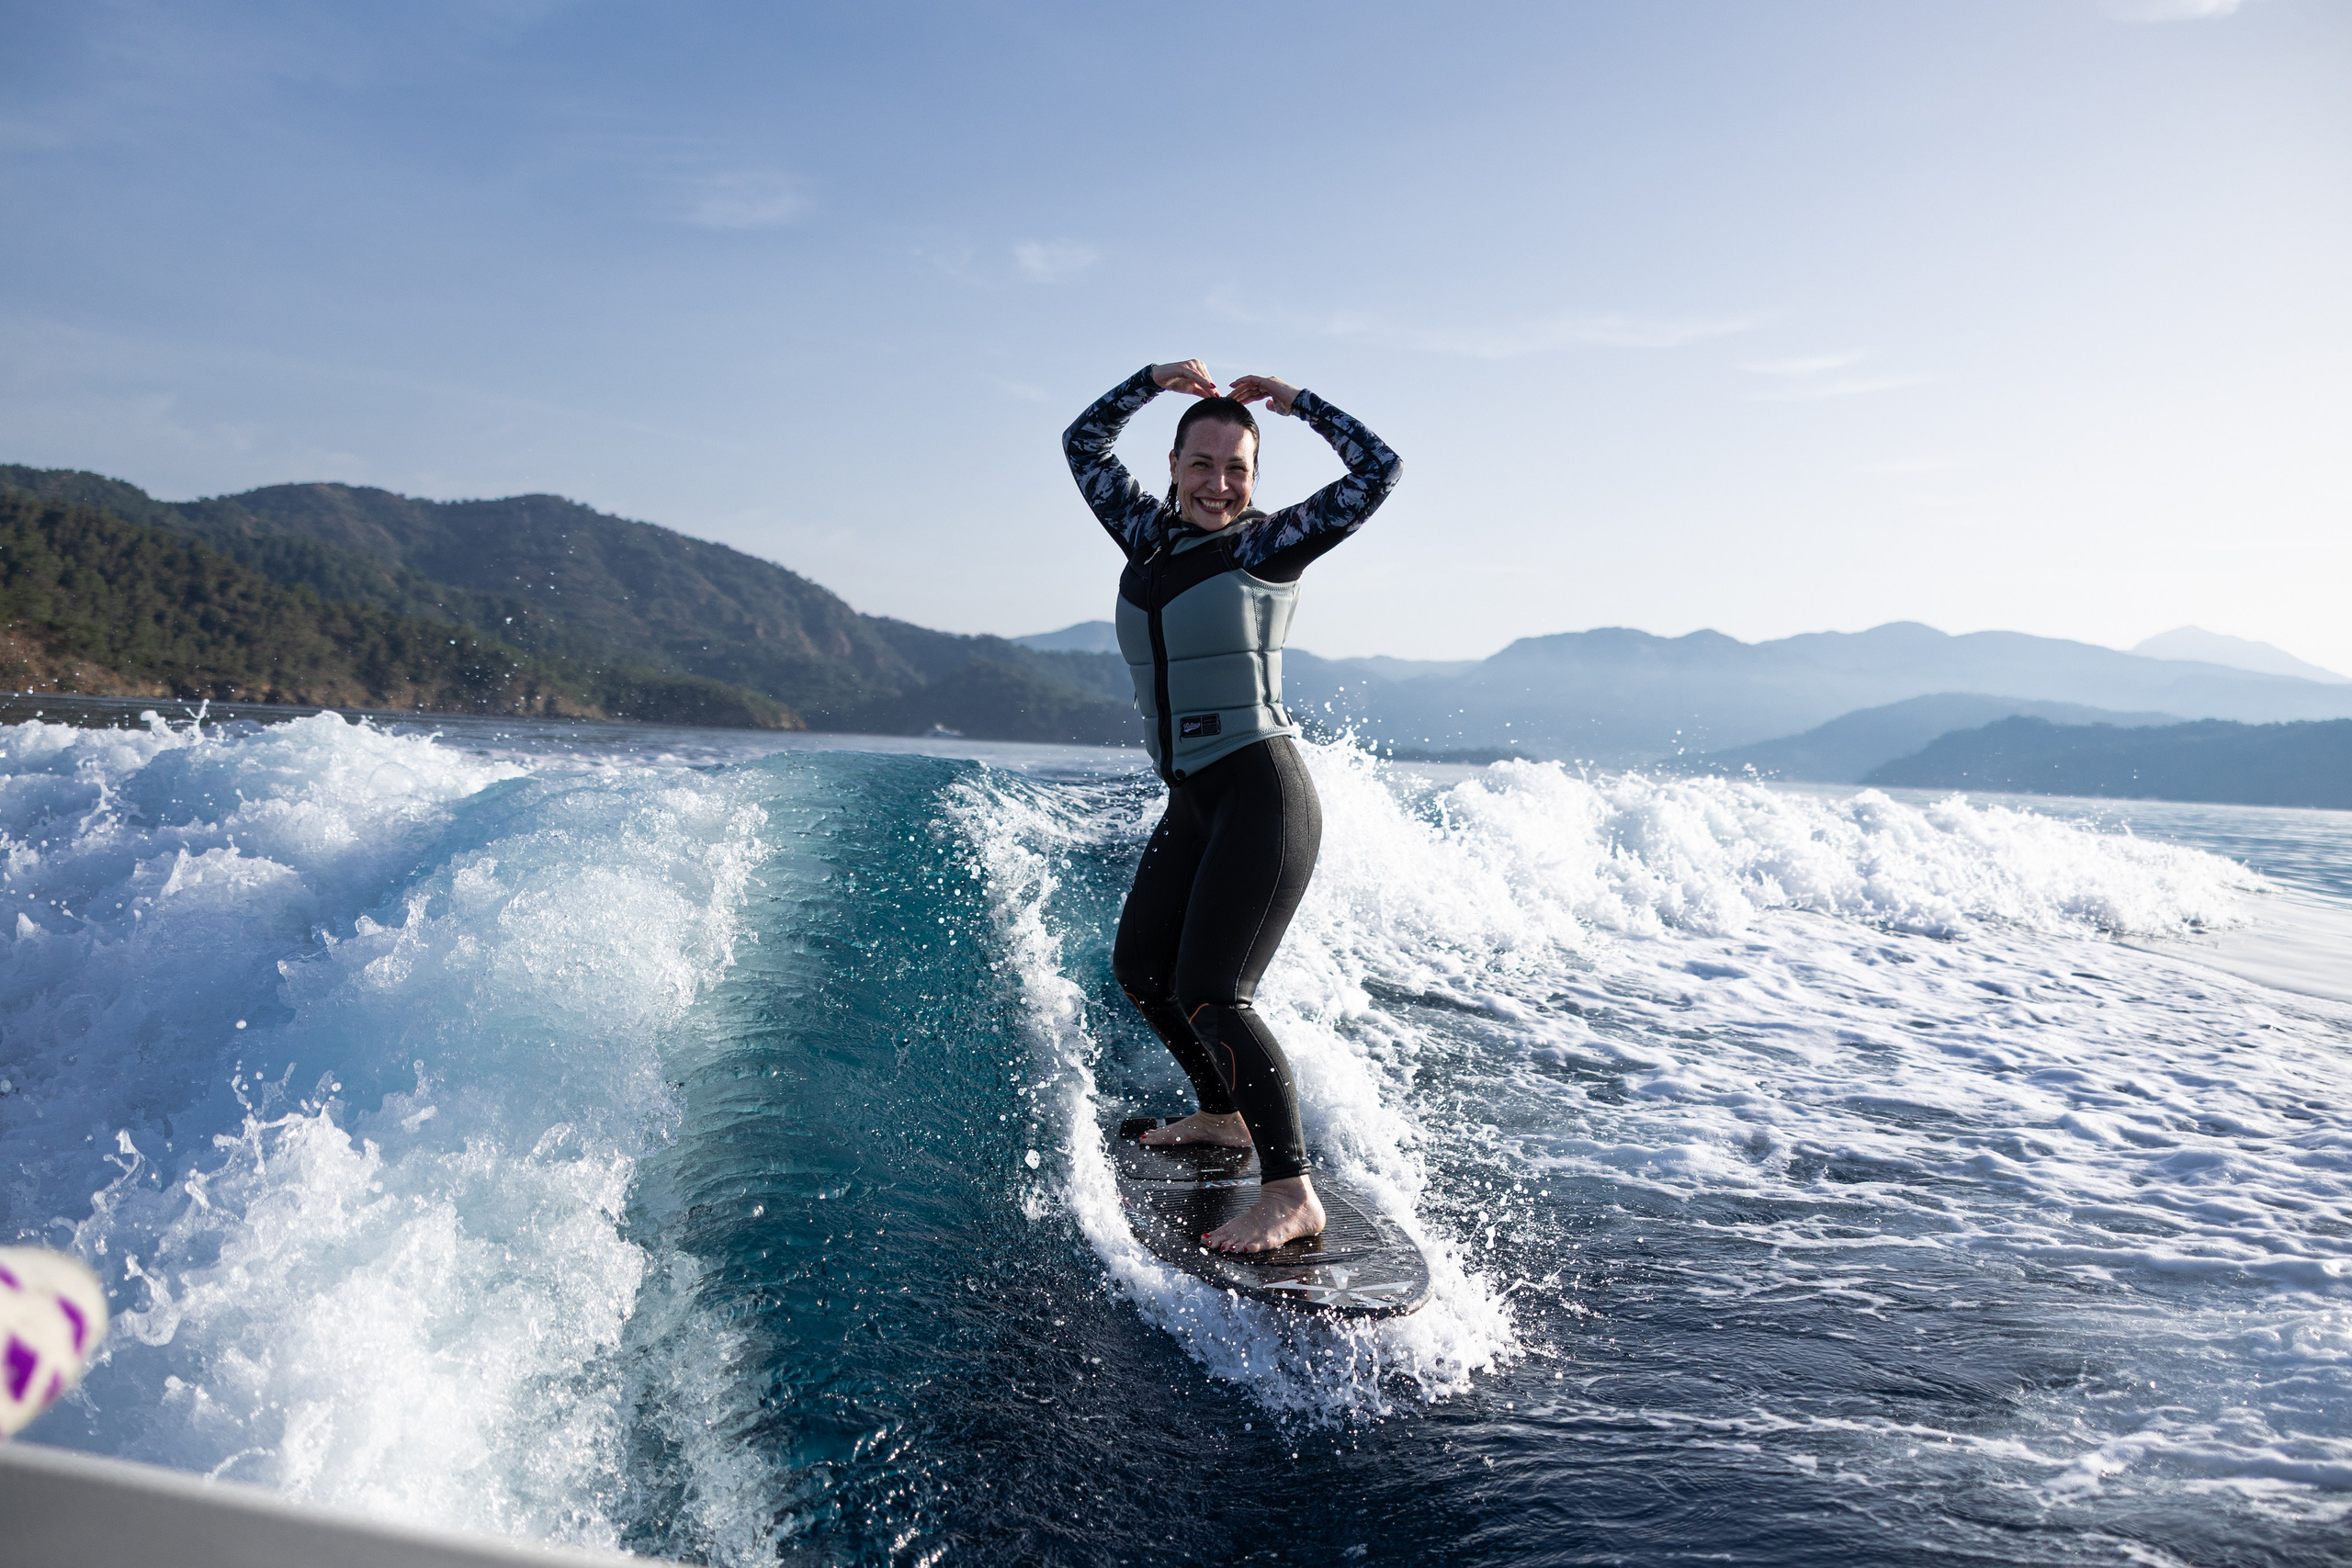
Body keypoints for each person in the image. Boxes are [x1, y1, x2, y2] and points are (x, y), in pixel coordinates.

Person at [1063, 359, 1401, 1253]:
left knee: (1215, 992)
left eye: (1238, 469)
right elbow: (1082, 443)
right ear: (1172, 466)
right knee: (1143, 970)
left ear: (1255, 479)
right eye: (1201, 465)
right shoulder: (1143, 533)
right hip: (1193, 798)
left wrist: (1297, 404)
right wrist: (1149, 381)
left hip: (1262, 793)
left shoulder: (1266, 543)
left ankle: (1291, 1189)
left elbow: (1378, 470)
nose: (1219, 485)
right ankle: (1223, 1116)